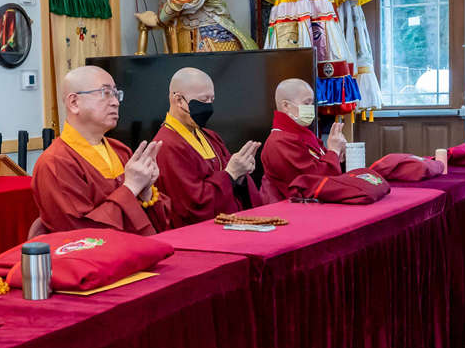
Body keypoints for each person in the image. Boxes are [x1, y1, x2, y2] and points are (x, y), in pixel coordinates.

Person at [31, 65, 173, 234]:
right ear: (74, 103)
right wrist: (131, 187)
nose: (115, 102)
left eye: (116, 94)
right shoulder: (55, 162)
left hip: (141, 246)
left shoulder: (120, 151)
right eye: (105, 93)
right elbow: (81, 234)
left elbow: (159, 224)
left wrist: (145, 190)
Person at [152, 66, 261, 225]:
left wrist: (240, 174)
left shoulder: (210, 136)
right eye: (203, 101)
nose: (209, 107)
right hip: (199, 233)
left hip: (232, 224)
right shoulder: (166, 145)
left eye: (212, 100)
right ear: (179, 100)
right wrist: (230, 174)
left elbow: (233, 179)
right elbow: (191, 207)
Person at [260, 77, 346, 202]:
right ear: (286, 106)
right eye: (306, 103)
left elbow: (323, 164)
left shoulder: (303, 134)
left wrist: (339, 154)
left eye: (312, 104)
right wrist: (333, 151)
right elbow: (313, 182)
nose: (311, 109)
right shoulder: (279, 142)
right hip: (289, 209)